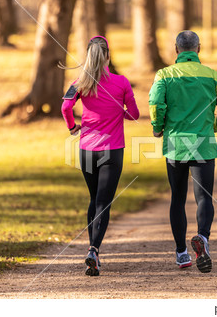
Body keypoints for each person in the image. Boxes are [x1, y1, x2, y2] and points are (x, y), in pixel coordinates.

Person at [148, 31, 217, 273]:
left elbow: (156, 104)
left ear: (176, 49)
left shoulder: (164, 75)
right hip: (203, 144)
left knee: (177, 198)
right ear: (199, 49)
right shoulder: (212, 75)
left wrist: (158, 128)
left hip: (175, 144)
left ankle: (181, 253)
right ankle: (203, 238)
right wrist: (213, 127)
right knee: (204, 197)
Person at [61, 36, 139, 276]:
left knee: (94, 199)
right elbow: (134, 114)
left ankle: (91, 249)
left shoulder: (79, 82)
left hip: (86, 150)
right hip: (111, 150)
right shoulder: (121, 82)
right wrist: (119, 115)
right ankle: (94, 249)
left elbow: (65, 107)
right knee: (104, 203)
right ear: (107, 56)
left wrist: (72, 127)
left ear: (88, 55)